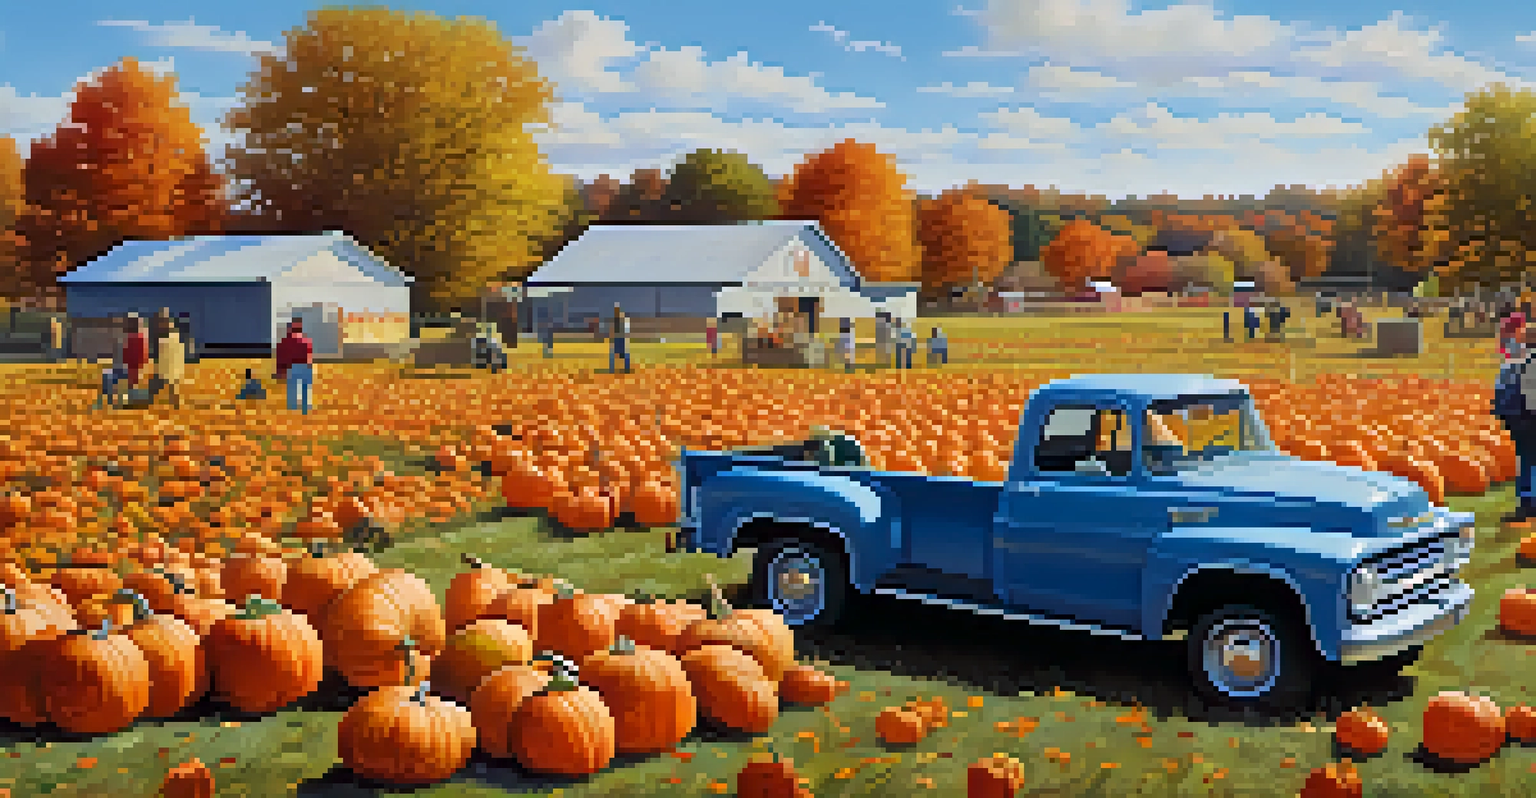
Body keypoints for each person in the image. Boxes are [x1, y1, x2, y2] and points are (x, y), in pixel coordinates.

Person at [1495, 323, 1536, 523]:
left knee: (1526, 461)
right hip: (1529, 418)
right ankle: (1529, 504)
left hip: (1521, 420)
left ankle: (1528, 503)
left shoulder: (1519, 362)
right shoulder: (1530, 362)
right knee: (1530, 461)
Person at [276, 318, 315, 414]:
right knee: (306, 388)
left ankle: (292, 407)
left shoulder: (285, 340)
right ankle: (305, 408)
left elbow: (281, 356)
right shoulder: (306, 339)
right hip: (305, 365)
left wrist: (280, 370)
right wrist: (310, 365)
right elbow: (309, 354)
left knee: (292, 388)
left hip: (293, 366)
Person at [157, 324, 186, 408]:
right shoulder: (178, 343)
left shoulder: (163, 342)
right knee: (174, 385)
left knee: (172, 386)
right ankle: (175, 401)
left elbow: (162, 356)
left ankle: (174, 401)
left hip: (170, 367)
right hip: (174, 367)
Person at [609, 304, 631, 374]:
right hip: (618, 338)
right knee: (614, 354)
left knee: (624, 354)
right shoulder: (617, 319)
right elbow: (613, 330)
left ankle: (626, 368)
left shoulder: (622, 318)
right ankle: (612, 369)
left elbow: (626, 329)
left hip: (621, 338)